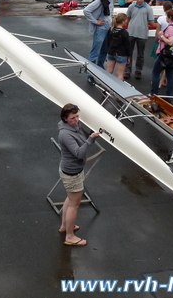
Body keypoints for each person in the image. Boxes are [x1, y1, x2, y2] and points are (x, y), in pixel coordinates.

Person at [57, 103, 101, 247]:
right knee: (74, 204)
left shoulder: (74, 127)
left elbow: (83, 138)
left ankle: (65, 226)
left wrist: (90, 136)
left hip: (72, 170)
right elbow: (79, 153)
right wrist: (91, 139)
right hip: (72, 172)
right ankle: (70, 236)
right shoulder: (65, 134)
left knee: (70, 199)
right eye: (72, 118)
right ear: (65, 119)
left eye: (77, 117)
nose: (76, 120)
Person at [83, 0, 118, 72]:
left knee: (104, 51)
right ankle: (90, 74)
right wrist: (95, 21)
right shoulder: (100, 0)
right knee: (95, 52)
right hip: (100, 29)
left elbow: (110, 12)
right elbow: (86, 10)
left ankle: (100, 69)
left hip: (108, 28)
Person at [124, 0, 156, 80]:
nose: (139, 0)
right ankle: (127, 70)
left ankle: (138, 71)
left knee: (140, 54)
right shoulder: (131, 6)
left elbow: (151, 22)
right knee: (129, 52)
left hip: (142, 34)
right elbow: (128, 19)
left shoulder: (148, 9)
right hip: (131, 32)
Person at [150, 9, 173, 97]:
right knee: (170, 75)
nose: (166, 17)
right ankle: (168, 96)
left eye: (167, 16)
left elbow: (170, 42)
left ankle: (154, 94)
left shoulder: (171, 27)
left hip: (165, 54)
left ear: (170, 17)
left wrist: (161, 35)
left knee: (155, 73)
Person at [155, 0, 173, 87]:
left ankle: (159, 82)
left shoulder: (161, 19)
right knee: (169, 66)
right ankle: (164, 80)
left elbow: (158, 31)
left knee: (159, 65)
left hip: (164, 44)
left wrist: (159, 38)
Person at [106, 13, 131, 80]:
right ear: (123, 21)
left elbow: (108, 42)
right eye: (126, 20)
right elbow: (127, 46)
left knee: (108, 72)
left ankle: (105, 88)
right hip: (121, 54)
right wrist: (128, 56)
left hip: (111, 53)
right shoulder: (124, 32)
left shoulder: (111, 30)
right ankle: (117, 89)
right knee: (119, 74)